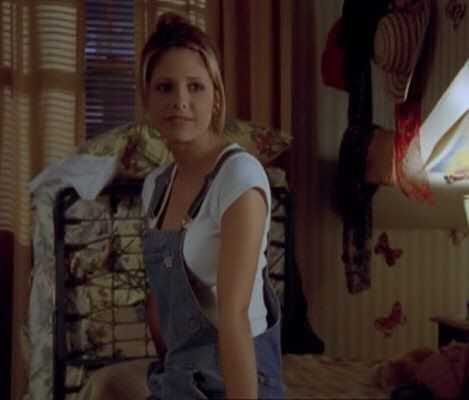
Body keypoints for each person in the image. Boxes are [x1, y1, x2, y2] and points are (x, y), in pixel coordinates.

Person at [140, 11, 284, 399]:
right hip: (180, 372)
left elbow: (235, 318)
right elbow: (160, 304)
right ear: (147, 100)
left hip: (237, 375)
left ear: (216, 98)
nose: (180, 102)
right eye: (165, 87)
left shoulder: (238, 176)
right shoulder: (155, 186)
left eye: (195, 87)